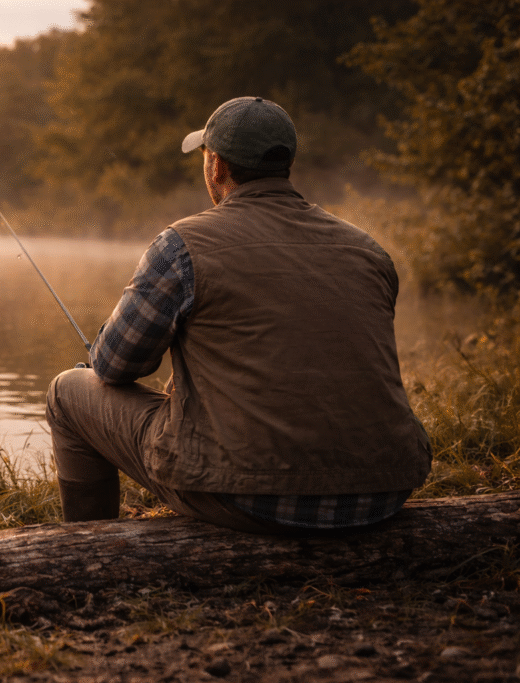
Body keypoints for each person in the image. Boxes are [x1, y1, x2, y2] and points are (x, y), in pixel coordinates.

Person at [46, 96, 431, 533]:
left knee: (67, 391)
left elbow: (115, 366)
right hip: (383, 489)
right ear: (285, 163)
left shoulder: (182, 244)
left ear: (217, 167)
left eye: (207, 157)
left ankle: (86, 543)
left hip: (248, 497)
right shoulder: (368, 251)